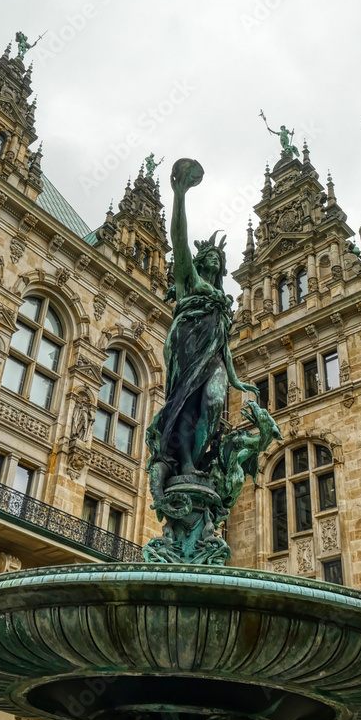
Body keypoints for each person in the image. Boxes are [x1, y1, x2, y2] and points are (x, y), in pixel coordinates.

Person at [146, 159, 258, 499]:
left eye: (218, 258)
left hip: (214, 356)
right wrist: (179, 196)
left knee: (213, 401)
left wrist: (237, 379)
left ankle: (195, 460)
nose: (214, 258)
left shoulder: (223, 302)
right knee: (186, 404)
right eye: (208, 254)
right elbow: (179, 239)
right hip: (187, 345)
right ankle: (185, 463)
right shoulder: (188, 282)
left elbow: (224, 345)